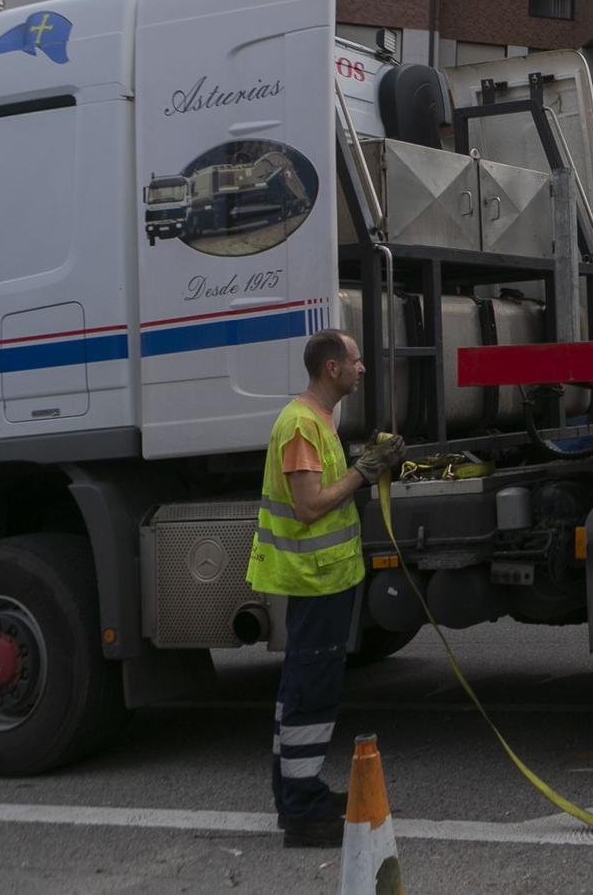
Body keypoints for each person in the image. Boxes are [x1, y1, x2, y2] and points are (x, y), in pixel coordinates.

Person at [245, 329, 393, 848]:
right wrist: (362, 473)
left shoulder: (317, 419)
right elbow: (309, 505)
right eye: (355, 360)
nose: (362, 368)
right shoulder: (302, 424)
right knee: (311, 691)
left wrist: (362, 467)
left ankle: (295, 795)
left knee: (300, 690)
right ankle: (304, 812)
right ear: (332, 368)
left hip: (324, 577)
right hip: (314, 580)